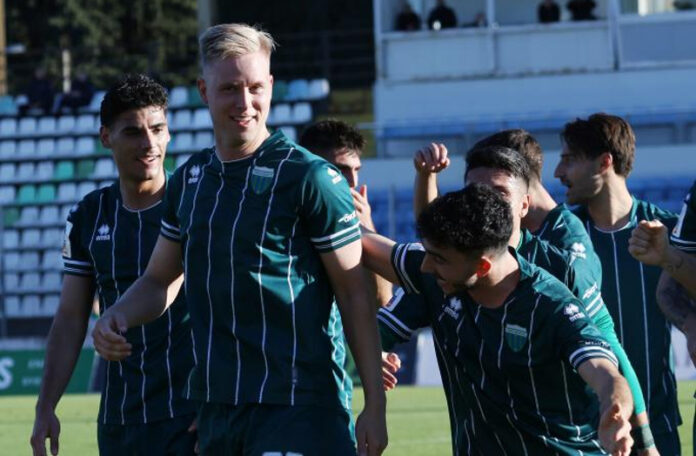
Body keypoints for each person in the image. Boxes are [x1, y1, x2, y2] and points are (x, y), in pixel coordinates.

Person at [91, 23, 387, 456]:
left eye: (255, 87)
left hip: (298, 407)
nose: (245, 103)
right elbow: (158, 281)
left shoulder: (310, 177)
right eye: (229, 88)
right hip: (217, 413)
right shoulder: (190, 180)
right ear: (204, 91)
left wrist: (374, 404)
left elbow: (354, 293)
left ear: (270, 86)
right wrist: (116, 315)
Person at [402, 144, 653, 451]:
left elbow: (604, 357)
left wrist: (630, 422)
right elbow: (416, 247)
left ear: (525, 204)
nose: (486, 201)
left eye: (499, 192)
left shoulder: (557, 275)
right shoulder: (448, 268)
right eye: (475, 191)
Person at [30, 74, 196, 456]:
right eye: (134, 132)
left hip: (190, 416)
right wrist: (45, 406)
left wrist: (217, 404)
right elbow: (70, 317)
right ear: (106, 137)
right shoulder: (88, 216)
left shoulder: (195, 203)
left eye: (158, 129)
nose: (149, 143)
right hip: (120, 421)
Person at [555, 112, 681, 454]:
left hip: (658, 424)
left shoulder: (668, 233)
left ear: (604, 162)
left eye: (569, 160)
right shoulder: (560, 241)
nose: (558, 172)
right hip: (584, 432)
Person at [299, 119, 393, 308]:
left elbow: (382, 300)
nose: (353, 181)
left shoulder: (355, 218)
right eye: (340, 170)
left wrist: (365, 227)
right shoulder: (282, 219)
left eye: (356, 170)